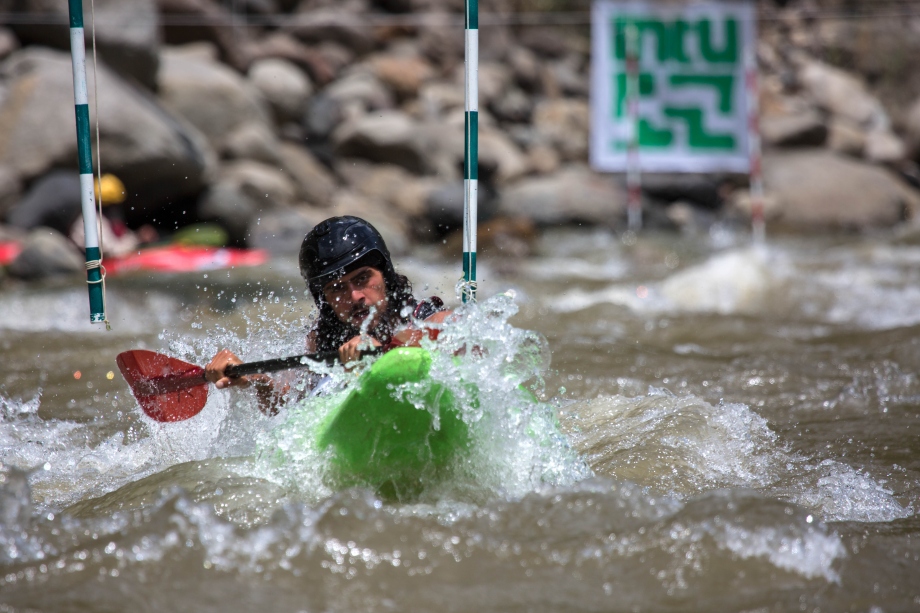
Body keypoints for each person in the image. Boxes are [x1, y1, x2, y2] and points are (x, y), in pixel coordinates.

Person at [205, 215, 450, 415]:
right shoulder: (322, 340)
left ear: (384, 274)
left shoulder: (424, 317)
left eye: (362, 278)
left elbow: (456, 329)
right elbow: (287, 408)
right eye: (337, 288)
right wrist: (255, 379)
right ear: (325, 299)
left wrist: (387, 350)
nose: (355, 297)